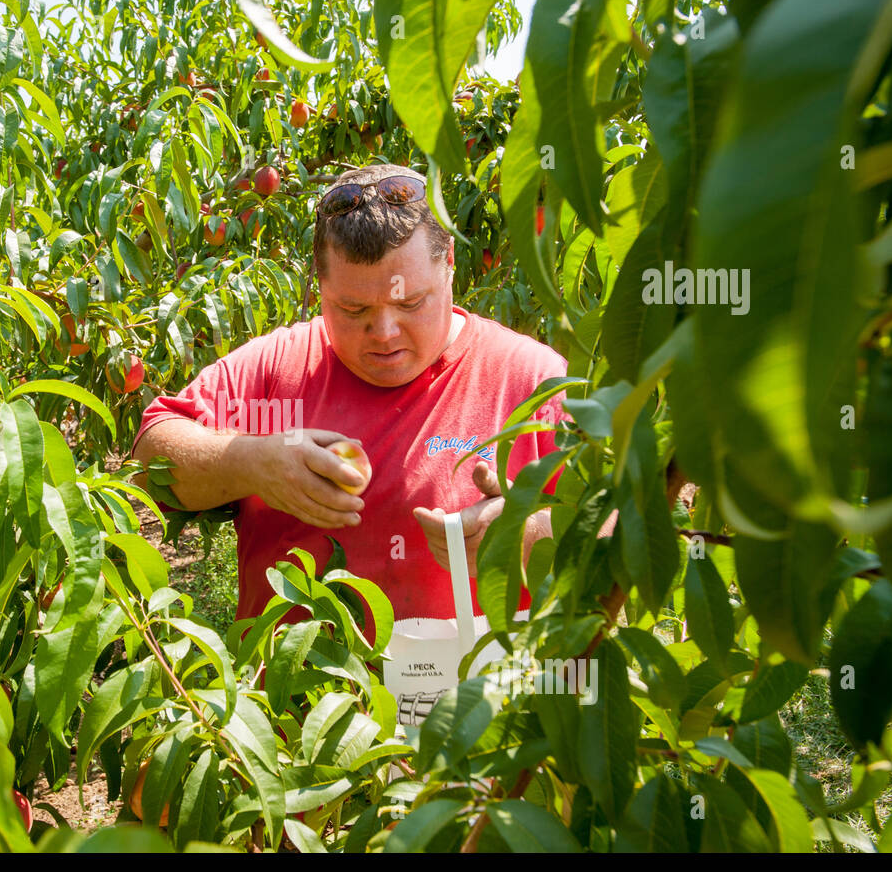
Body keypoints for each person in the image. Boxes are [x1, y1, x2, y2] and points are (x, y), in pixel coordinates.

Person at [131, 164, 572, 643]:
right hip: (297, 709)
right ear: (320, 286)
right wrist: (250, 461)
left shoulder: (531, 381)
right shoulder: (279, 369)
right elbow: (149, 458)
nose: (384, 334)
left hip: (476, 708)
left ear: (448, 262)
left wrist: (530, 534)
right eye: (353, 309)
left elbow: (617, 537)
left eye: (410, 304)